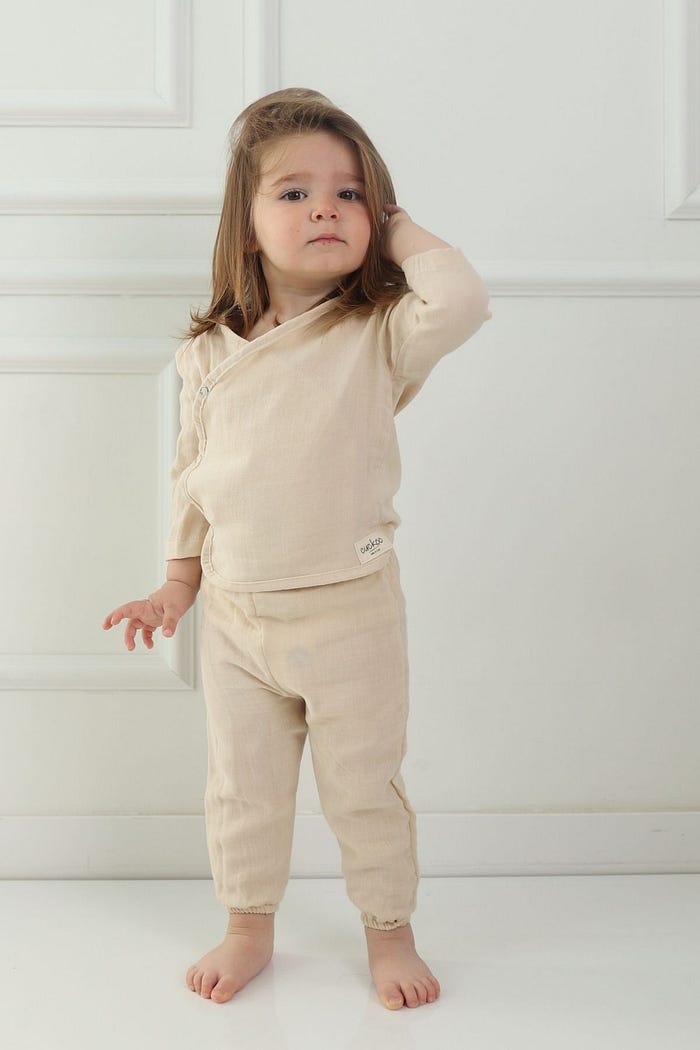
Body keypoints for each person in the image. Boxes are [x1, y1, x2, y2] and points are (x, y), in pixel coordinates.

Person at [102, 87, 491, 1010]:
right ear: (245, 228)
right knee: (243, 790)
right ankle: (247, 925)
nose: (326, 208)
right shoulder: (208, 352)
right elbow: (193, 475)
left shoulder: (379, 335)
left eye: (350, 194)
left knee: (362, 789)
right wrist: (176, 583)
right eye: (295, 192)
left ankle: (389, 931)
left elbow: (463, 300)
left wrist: (398, 231)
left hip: (348, 609)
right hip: (238, 617)